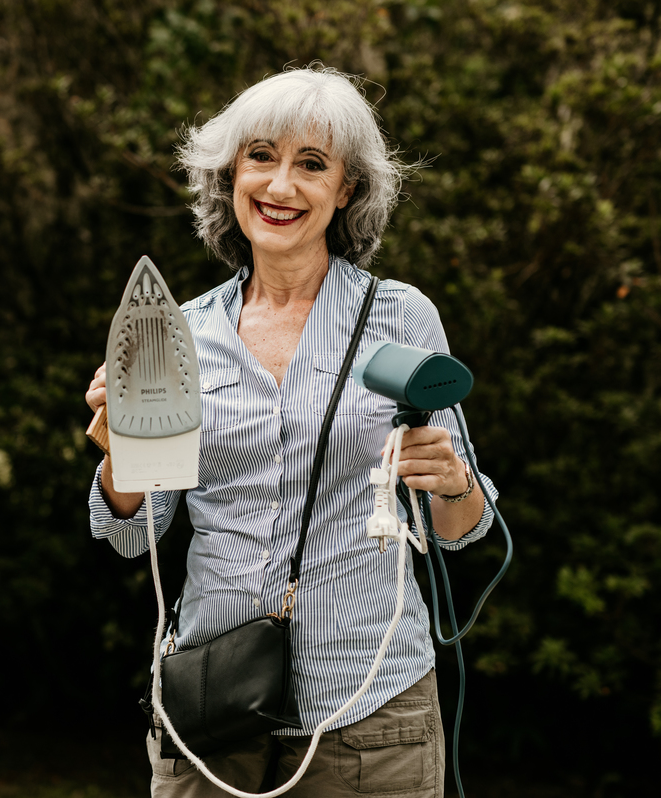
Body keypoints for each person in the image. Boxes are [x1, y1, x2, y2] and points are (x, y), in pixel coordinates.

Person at [84, 66, 498, 798]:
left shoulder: (400, 318)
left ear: (346, 190)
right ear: (230, 175)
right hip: (213, 712)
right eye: (262, 157)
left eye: (312, 165)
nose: (281, 186)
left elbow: (463, 530)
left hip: (372, 717)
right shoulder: (176, 333)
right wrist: (123, 460)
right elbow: (132, 536)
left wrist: (452, 481)